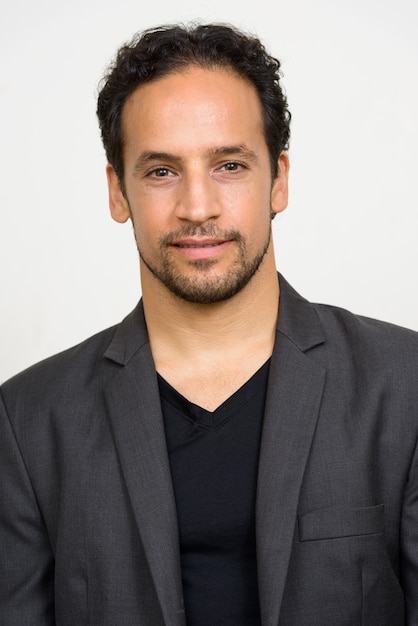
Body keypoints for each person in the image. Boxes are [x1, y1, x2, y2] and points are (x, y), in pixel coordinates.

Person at [0, 21, 417, 626]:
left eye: (229, 165)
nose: (198, 208)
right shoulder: (28, 422)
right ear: (118, 192)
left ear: (280, 179)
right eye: (161, 171)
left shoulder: (403, 388)